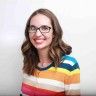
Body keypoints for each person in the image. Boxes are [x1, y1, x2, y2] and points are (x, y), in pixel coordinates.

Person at [21, 8, 80, 96]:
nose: (37, 34)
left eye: (44, 28)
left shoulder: (69, 65)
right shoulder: (28, 61)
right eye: (33, 28)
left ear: (54, 33)